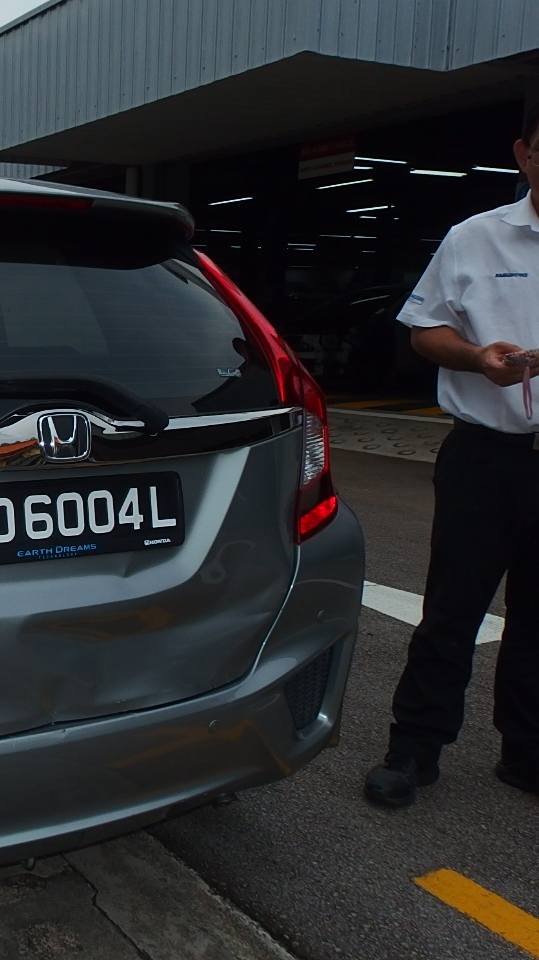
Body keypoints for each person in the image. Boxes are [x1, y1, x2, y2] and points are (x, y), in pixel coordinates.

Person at [364, 106, 539, 807]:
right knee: (452, 608)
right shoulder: (476, 237)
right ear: (524, 153)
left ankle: (525, 753)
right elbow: (424, 329)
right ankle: (414, 749)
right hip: (486, 456)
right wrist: (476, 357)